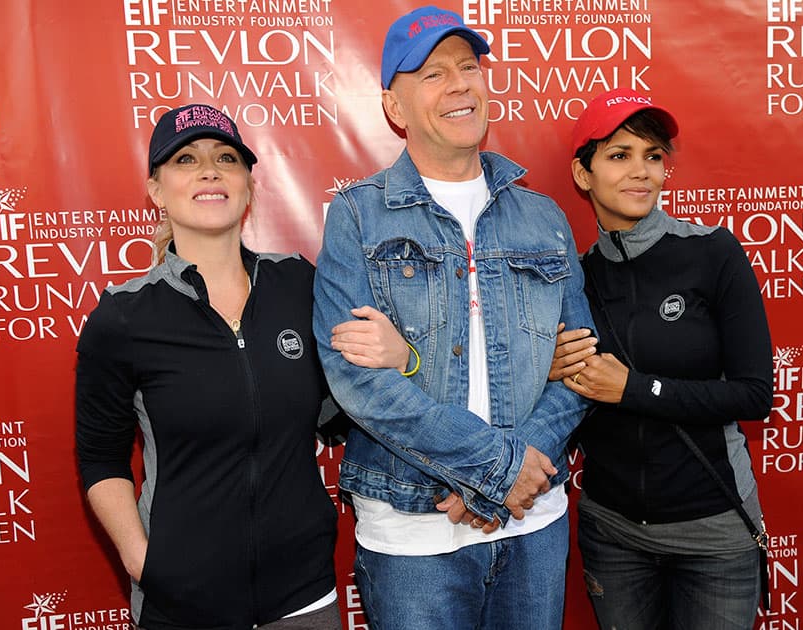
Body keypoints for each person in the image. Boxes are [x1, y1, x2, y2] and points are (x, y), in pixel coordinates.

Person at [312, 6, 595, 629]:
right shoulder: (358, 216)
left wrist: (518, 470)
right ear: (395, 107)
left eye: (469, 67)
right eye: (434, 74)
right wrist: (497, 470)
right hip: (415, 533)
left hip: (533, 521)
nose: (461, 84)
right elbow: (359, 382)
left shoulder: (542, 215)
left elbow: (581, 366)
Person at [74, 104, 409, 630]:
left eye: (226, 157)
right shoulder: (123, 317)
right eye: (186, 159)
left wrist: (402, 358)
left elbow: (348, 410)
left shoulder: (299, 284)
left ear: (248, 185)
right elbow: (100, 459)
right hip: (182, 603)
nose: (209, 170)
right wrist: (143, 560)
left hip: (304, 594)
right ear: (156, 191)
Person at [549, 88, 774, 629]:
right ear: (584, 174)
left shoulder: (713, 251)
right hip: (613, 535)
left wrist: (635, 388)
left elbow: (753, 394)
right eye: (619, 155)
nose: (641, 172)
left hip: (714, 533)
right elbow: (564, 412)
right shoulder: (575, 278)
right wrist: (553, 375)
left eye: (653, 156)